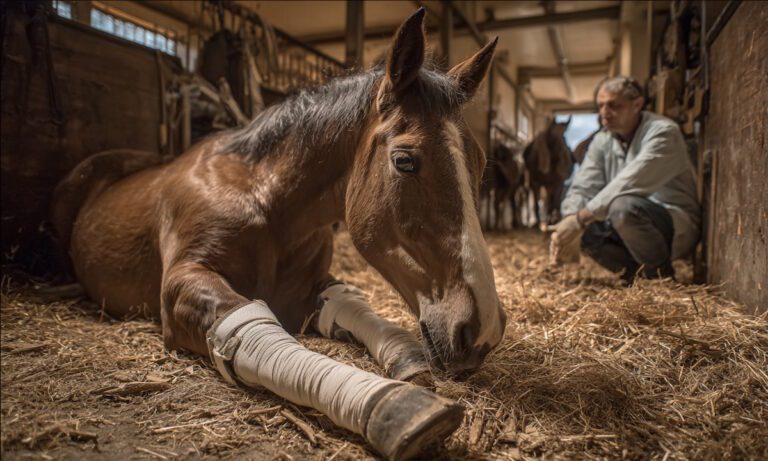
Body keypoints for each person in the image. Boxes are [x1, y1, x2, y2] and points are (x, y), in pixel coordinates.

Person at [550, 76, 700, 283]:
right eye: (601, 105)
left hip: (670, 225)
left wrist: (579, 220)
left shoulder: (663, 132)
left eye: (614, 105)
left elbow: (629, 183)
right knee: (586, 222)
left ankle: (660, 278)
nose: (604, 112)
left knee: (622, 208)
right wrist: (568, 222)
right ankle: (635, 277)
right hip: (624, 227)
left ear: (637, 105)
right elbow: (584, 185)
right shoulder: (602, 139)